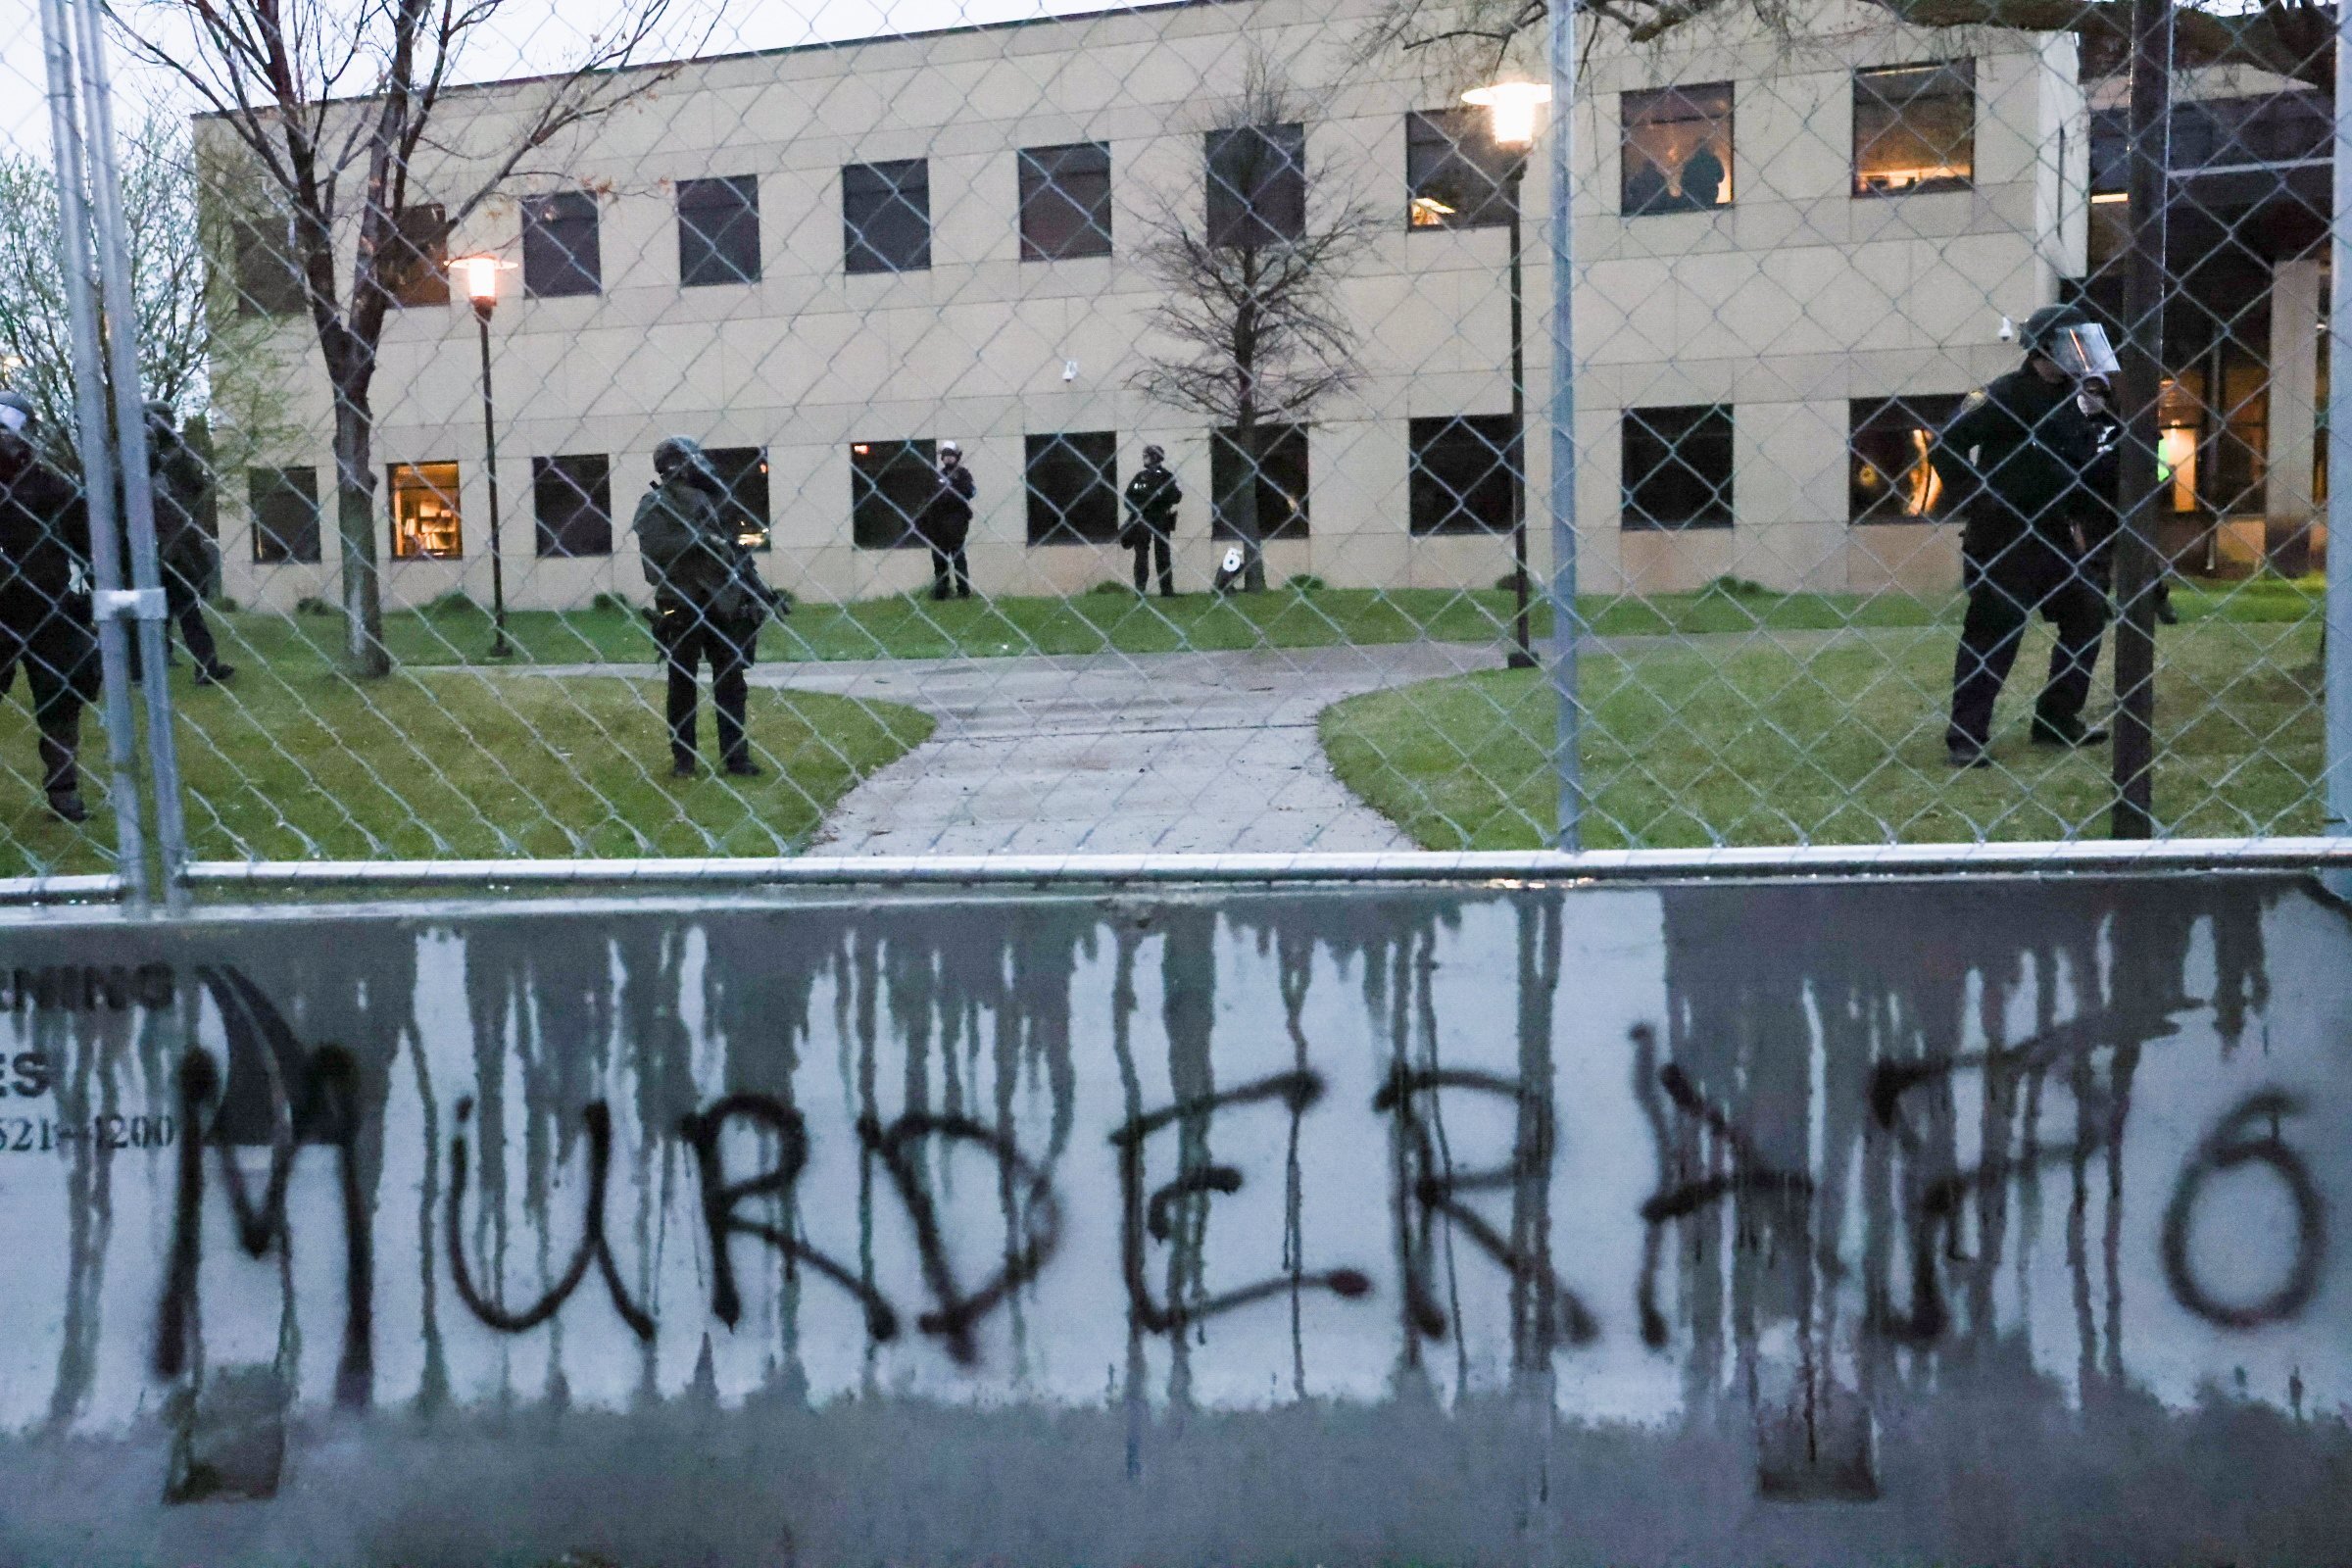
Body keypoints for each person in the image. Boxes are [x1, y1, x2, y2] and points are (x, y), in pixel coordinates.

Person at [1930, 305, 2119, 768]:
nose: (2083, 355)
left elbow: (2089, 464)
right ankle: (1966, 737)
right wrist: (1983, 498)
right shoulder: (2004, 395)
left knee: (2088, 612)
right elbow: (1945, 445)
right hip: (2002, 538)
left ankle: (2056, 719)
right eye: (2073, 344)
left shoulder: (2077, 401)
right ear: (2045, 347)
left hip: (2054, 535)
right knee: (1994, 632)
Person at [633, 435, 770, 779]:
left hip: (722, 603)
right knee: (682, 684)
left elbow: (743, 540)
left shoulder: (716, 501)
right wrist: (700, 541)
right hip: (680, 603)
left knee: (731, 682)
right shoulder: (654, 504)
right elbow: (655, 551)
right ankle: (684, 760)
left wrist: (736, 557)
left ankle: (736, 758)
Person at [0, 391, 99, 821]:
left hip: (48, 608)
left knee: (61, 698)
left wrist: (88, 597)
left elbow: (89, 543)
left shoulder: (50, 484)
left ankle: (63, 790)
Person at [142, 402, 234, 684]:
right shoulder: (161, 455)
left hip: (170, 542)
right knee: (176, 608)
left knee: (180, 607)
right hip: (163, 542)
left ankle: (201, 666)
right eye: (165, 418)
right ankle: (197, 666)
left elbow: (194, 487)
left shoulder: (167, 454)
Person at [1121, 444, 1181, 598]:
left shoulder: (1166, 477)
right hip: (1142, 519)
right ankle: (1140, 590)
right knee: (1141, 555)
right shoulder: (1140, 477)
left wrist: (1160, 497)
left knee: (1162, 555)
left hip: (1160, 518)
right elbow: (1128, 498)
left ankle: (1166, 590)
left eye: (1146, 456)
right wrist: (1137, 509)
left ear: (1155, 457)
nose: (1144, 459)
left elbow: (1176, 496)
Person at [919, 441, 975, 601]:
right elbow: (930, 497)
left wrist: (950, 494)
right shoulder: (939, 476)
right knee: (939, 559)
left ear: (957, 456)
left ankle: (963, 591)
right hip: (938, 525)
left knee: (958, 557)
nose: (948, 458)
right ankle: (941, 591)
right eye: (945, 455)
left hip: (956, 523)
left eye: (951, 455)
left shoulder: (963, 474)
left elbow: (968, 492)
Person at [1679, 141, 1726, 209]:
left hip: (1695, 195)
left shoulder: (1691, 163)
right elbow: (1720, 177)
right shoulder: (1713, 161)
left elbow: (1683, 182)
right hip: (1710, 193)